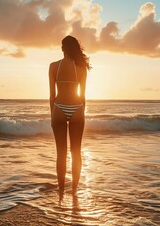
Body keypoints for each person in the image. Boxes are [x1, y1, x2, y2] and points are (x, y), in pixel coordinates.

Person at [49, 35, 91, 200]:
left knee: (61, 153)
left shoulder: (53, 66)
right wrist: (81, 112)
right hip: (77, 108)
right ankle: (73, 191)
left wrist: (52, 112)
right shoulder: (81, 68)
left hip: (58, 107)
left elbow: (52, 94)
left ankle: (60, 192)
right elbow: (83, 95)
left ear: (62, 48)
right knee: (76, 152)